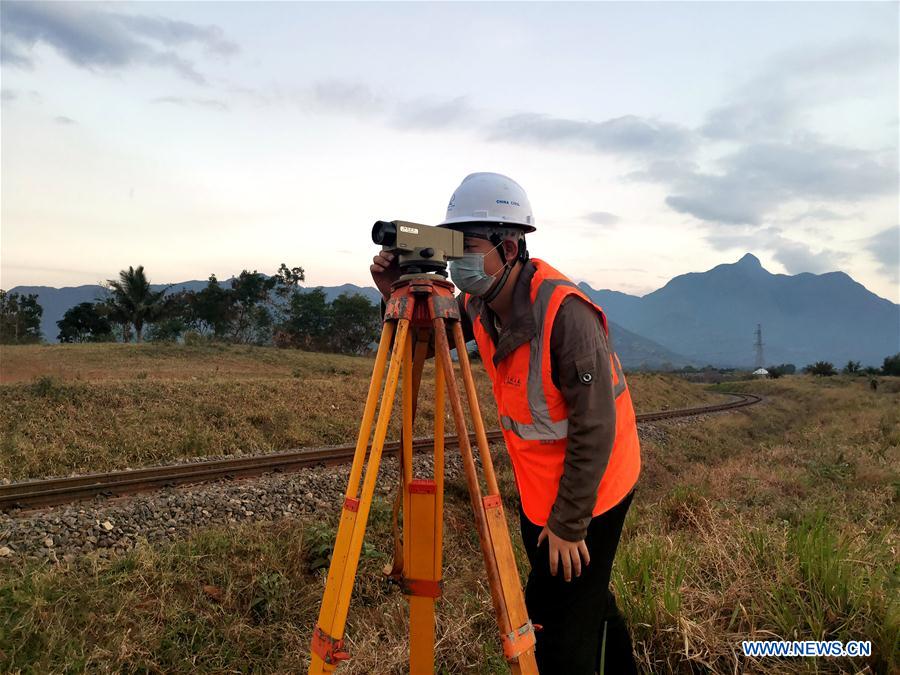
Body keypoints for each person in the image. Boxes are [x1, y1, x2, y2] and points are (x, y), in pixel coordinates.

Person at [370, 172, 641, 674]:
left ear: (510, 249)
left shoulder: (565, 313)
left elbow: (596, 425)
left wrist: (568, 523)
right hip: (537, 487)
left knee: (556, 630)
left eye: (469, 248)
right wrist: (394, 294)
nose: (459, 264)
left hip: (596, 487)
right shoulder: (478, 304)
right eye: (455, 249)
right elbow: (430, 350)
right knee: (583, 597)